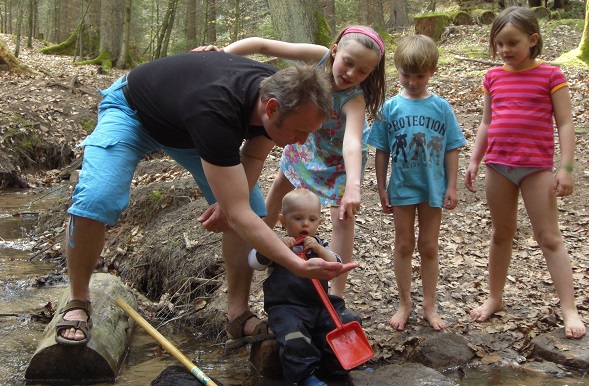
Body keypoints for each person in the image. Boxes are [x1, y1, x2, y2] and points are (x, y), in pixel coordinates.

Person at [54, 52, 360, 348]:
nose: (303, 142)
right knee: (98, 198)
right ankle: (78, 301)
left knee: (250, 208)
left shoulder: (283, 92)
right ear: (270, 109)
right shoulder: (218, 110)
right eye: (300, 131)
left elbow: (252, 154)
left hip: (186, 128)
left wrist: (229, 203)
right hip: (132, 110)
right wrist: (296, 264)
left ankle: (237, 316)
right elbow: (239, 213)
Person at [194, 25, 386, 297]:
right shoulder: (318, 58)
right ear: (334, 51)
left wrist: (354, 185)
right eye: (348, 62)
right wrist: (222, 53)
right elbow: (263, 45)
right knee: (279, 190)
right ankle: (264, 253)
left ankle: (336, 292)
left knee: (343, 217)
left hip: (338, 160)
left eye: (363, 71)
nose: (351, 74)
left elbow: (352, 143)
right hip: (306, 142)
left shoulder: (354, 99)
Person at [464, 7, 586, 339]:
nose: (504, 50)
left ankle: (569, 309)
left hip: (536, 169)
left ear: (532, 40)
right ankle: (495, 297)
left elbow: (565, 123)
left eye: (512, 42)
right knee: (501, 234)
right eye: (499, 43)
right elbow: (487, 123)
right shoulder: (492, 77)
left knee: (548, 236)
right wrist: (475, 160)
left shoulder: (551, 75)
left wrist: (566, 168)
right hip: (498, 166)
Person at [368, 35, 466, 331]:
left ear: (433, 70)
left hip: (432, 187)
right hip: (402, 186)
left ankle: (429, 305)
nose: (412, 81)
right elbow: (381, 150)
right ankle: (404, 302)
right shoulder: (390, 108)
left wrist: (452, 185)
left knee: (429, 246)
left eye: (419, 75)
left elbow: (452, 147)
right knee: (403, 244)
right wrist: (381, 186)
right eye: (405, 75)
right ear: (396, 70)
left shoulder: (441, 108)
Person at [248, 189, 362, 386]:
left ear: (319, 222)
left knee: (346, 320)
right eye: (298, 218)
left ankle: (341, 367)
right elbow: (254, 261)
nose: (305, 224)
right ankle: (305, 375)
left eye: (311, 219)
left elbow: (337, 262)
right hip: (287, 308)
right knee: (294, 336)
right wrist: (278, 249)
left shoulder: (319, 244)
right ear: (283, 220)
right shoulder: (276, 244)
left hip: (319, 304)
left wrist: (318, 249)